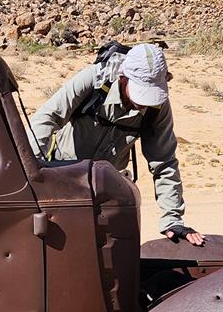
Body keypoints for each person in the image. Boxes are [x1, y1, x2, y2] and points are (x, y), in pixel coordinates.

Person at [27, 42, 205, 247]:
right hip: (62, 178)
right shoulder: (93, 80)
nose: (144, 103)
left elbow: (164, 161)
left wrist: (172, 219)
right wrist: (33, 174)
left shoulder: (157, 107)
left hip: (108, 189)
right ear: (123, 78)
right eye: (140, 92)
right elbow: (46, 119)